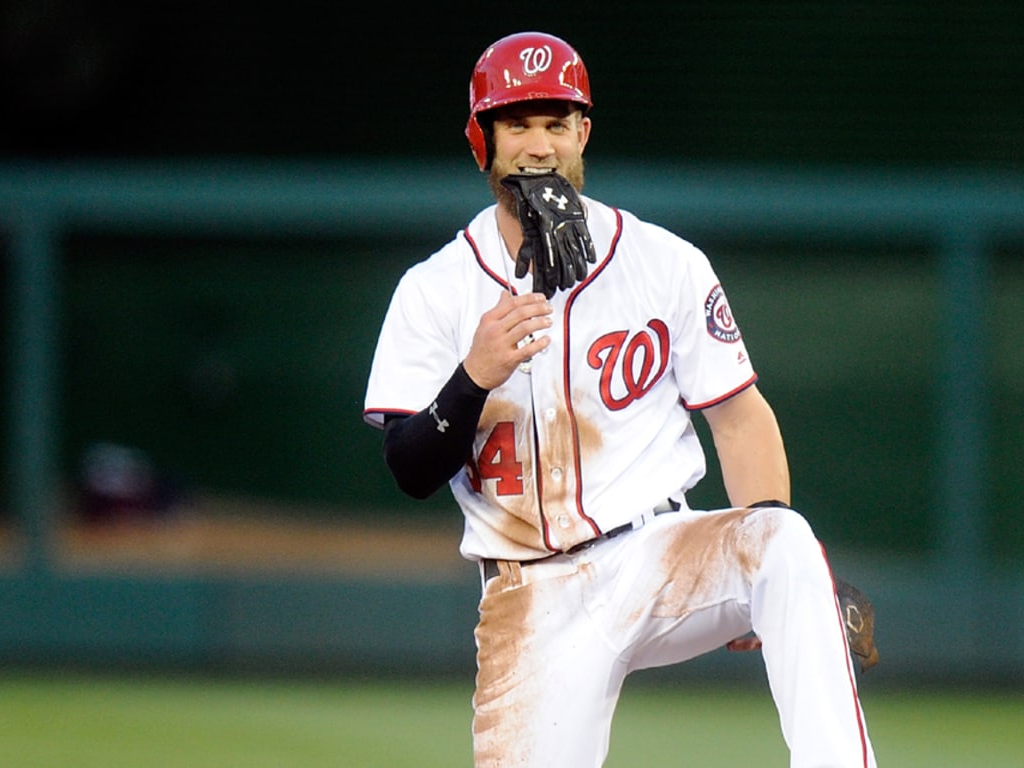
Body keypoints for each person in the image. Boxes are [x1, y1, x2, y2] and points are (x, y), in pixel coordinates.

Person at [363, 31, 877, 768]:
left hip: (657, 551)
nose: (539, 146)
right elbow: (410, 468)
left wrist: (767, 587)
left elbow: (738, 419)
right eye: (517, 124)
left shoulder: (662, 262)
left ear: (584, 134)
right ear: (482, 140)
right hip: (530, 596)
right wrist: (473, 375)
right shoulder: (435, 289)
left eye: (556, 123)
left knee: (786, 544)